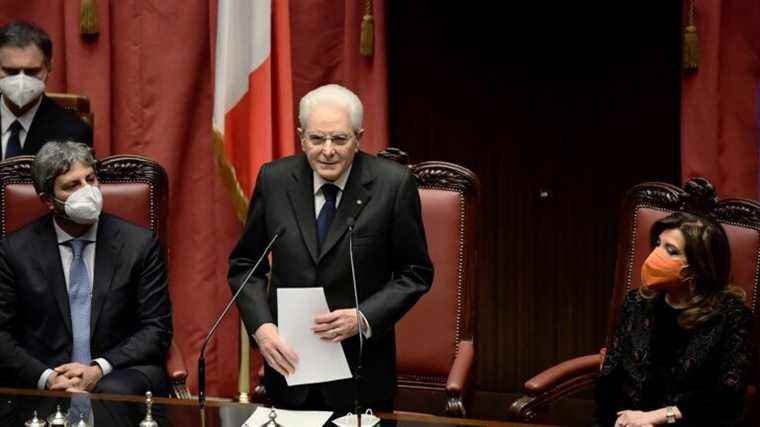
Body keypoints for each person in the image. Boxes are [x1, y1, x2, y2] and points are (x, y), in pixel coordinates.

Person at [228, 84, 434, 412]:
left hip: (360, 375)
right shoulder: (274, 180)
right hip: (289, 372)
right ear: (301, 136)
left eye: (339, 139)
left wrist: (364, 317)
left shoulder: (393, 185)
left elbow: (415, 273)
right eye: (316, 139)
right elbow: (245, 265)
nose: (327, 150)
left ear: (359, 137)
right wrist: (262, 328)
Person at [0, 141, 172, 396]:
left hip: (117, 373)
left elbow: (156, 329)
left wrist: (98, 369)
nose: (87, 191)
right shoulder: (13, 251)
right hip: (42, 376)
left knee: (112, 393)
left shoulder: (139, 245)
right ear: (48, 200)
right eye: (72, 185)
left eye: (90, 179)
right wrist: (47, 378)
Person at [594, 212, 753, 427]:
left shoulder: (732, 316)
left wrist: (656, 417)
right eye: (657, 244)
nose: (655, 255)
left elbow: (728, 398)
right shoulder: (636, 303)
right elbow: (609, 379)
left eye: (671, 250)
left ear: (696, 267)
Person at [0, 21, 92, 160]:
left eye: (32, 72)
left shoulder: (73, 133)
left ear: (49, 67)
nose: (21, 81)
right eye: (11, 71)